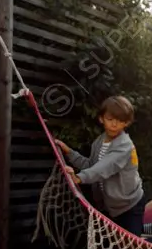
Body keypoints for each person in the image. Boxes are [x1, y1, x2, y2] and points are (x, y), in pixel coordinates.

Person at [55, 95, 146, 236]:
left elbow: (104, 167)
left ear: (126, 123)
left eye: (120, 120)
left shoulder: (125, 146)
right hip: (111, 206)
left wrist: (80, 177)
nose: (114, 124)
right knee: (119, 241)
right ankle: (151, 228)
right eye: (110, 119)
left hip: (130, 204)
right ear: (101, 119)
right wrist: (69, 152)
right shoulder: (99, 142)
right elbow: (91, 165)